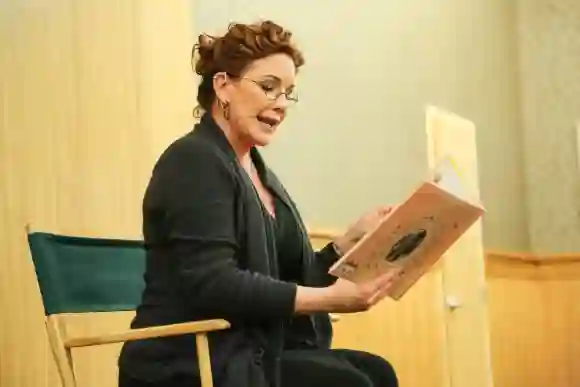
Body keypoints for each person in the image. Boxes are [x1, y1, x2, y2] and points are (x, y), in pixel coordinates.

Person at [118, 20, 400, 387]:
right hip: (191, 360)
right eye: (269, 88)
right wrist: (330, 299)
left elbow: (286, 281)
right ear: (223, 86)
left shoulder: (258, 172)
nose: (281, 104)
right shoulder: (194, 160)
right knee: (349, 383)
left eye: (288, 93)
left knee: (377, 371)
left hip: (252, 349)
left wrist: (347, 242)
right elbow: (213, 283)